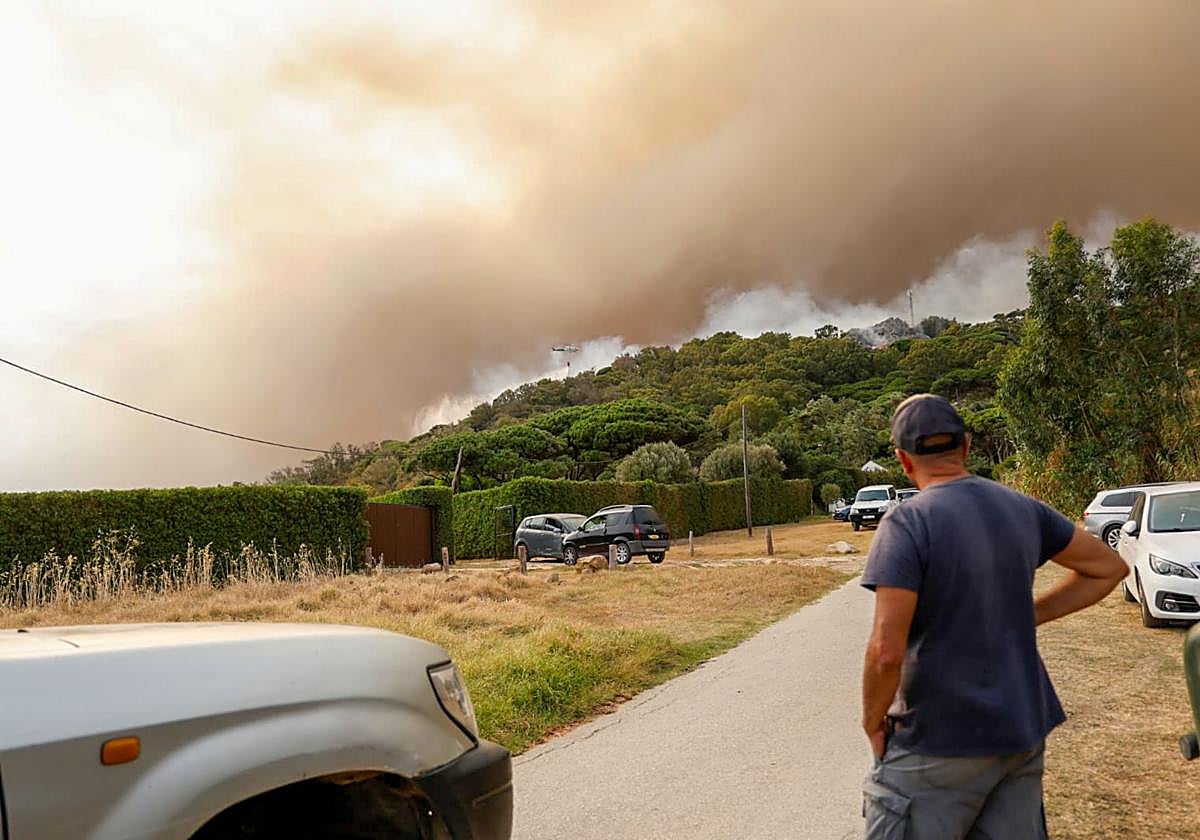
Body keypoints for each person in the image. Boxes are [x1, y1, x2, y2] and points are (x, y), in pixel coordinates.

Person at [860, 394, 1126, 839]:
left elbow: (886, 650)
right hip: (1020, 732)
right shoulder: (1023, 507)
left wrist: (872, 721)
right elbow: (1108, 568)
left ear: (903, 461)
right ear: (965, 447)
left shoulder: (907, 523)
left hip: (938, 738)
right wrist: (1028, 615)